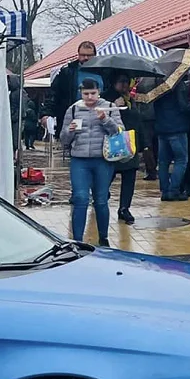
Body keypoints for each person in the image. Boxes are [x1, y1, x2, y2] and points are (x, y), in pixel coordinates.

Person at [59, 79, 122, 246]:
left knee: (101, 199)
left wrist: (105, 119)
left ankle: (104, 238)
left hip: (103, 160)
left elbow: (118, 132)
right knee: (80, 198)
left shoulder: (109, 107)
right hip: (79, 160)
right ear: (81, 93)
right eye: (86, 94)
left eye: (92, 93)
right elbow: (63, 140)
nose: (89, 97)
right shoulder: (73, 109)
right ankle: (77, 241)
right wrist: (69, 131)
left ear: (98, 91)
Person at [103, 74, 142, 226]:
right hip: (114, 143)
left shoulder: (130, 99)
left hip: (130, 142)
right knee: (108, 175)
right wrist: (113, 106)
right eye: (121, 82)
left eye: (127, 82)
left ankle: (124, 208)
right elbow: (101, 118)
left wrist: (143, 144)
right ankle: (101, 198)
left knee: (129, 177)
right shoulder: (107, 98)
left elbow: (138, 121)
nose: (125, 85)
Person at [153, 72, 190, 202]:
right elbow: (184, 105)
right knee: (181, 160)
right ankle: (174, 191)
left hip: (161, 128)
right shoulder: (179, 85)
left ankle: (165, 191)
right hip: (177, 128)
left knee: (163, 162)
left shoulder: (158, 86)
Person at [43, 40, 99, 138]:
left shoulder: (104, 72)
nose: (86, 58)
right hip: (73, 117)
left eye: (89, 55)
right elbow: (53, 94)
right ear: (78, 55)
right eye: (83, 55)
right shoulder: (67, 73)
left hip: (97, 118)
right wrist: (46, 113)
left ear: (95, 55)